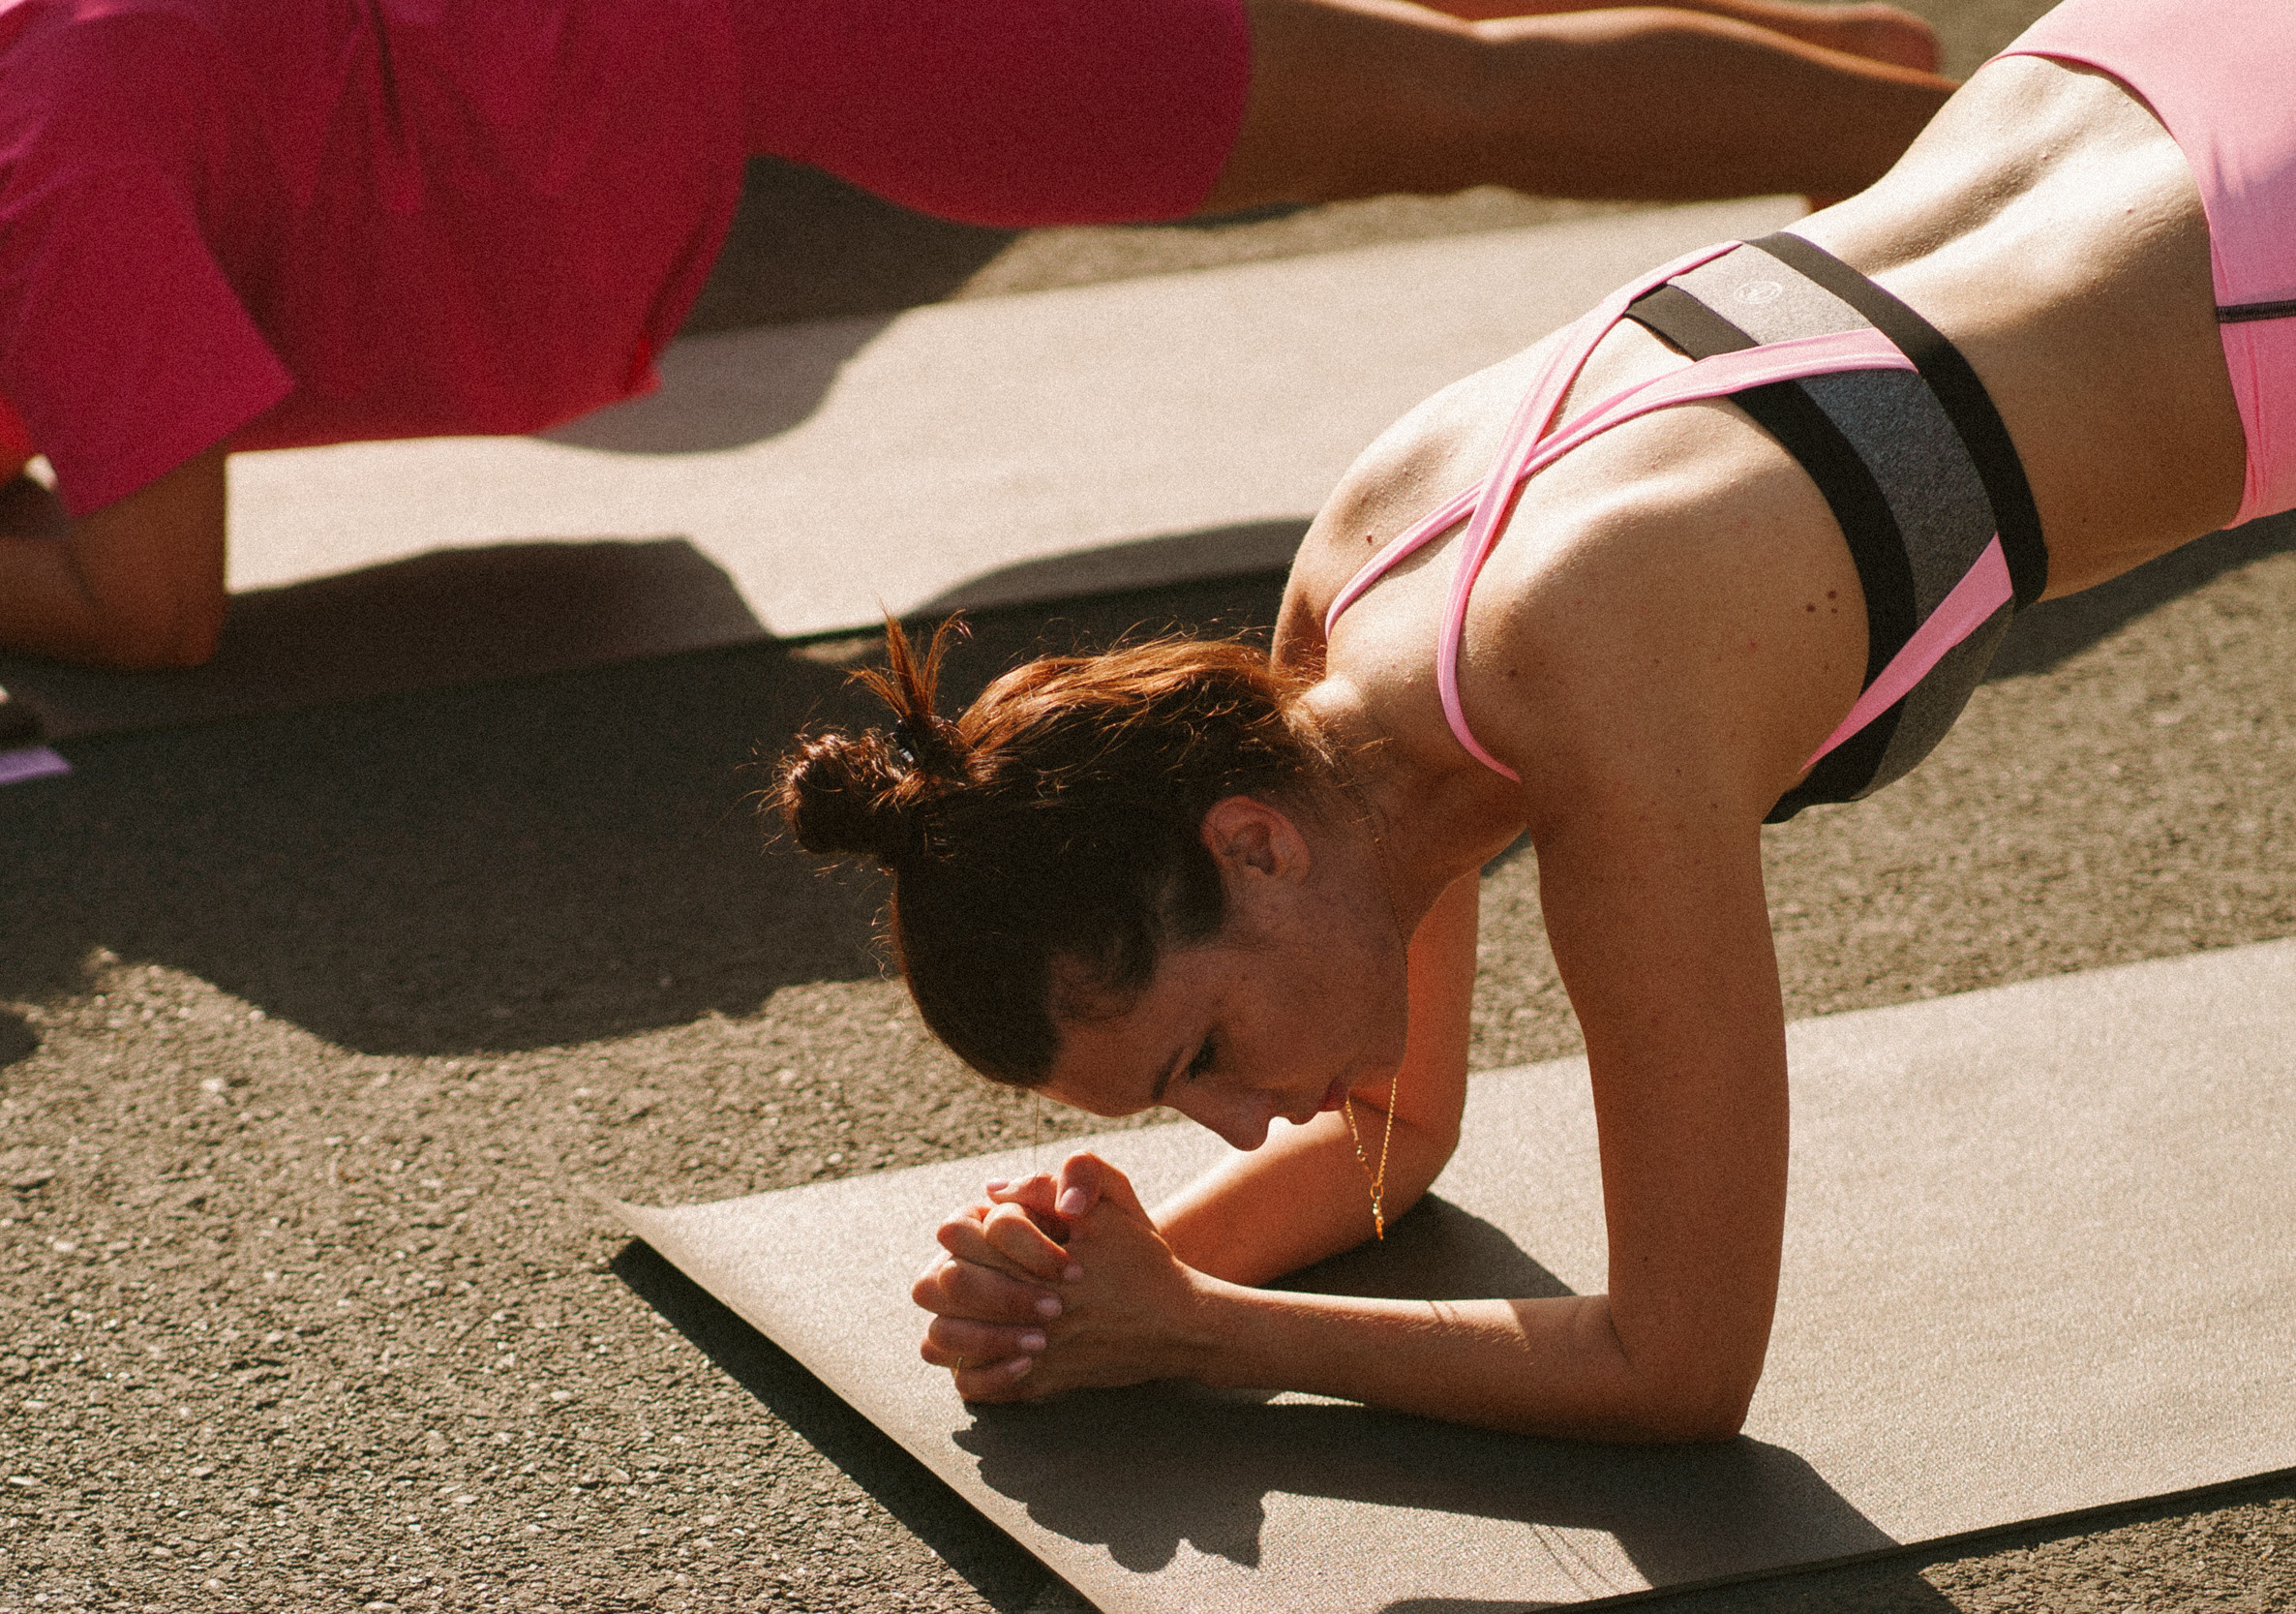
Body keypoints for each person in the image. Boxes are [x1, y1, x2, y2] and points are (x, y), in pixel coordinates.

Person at [771, 0, 2291, 1440]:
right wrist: (1087, 1286)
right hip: (2152, 66)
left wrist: (1196, 1331)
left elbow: (1678, 1364)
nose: (1244, 1128)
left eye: (1203, 1056)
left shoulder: (1593, 683)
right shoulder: (1352, 606)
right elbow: (1391, 1148)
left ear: (1253, 847)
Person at [0, 0, 1947, 671]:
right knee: (1359, 58)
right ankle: (1853, 80)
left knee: (1421, 110)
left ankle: (2017, 161)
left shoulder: (18, 187)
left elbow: (149, 602)